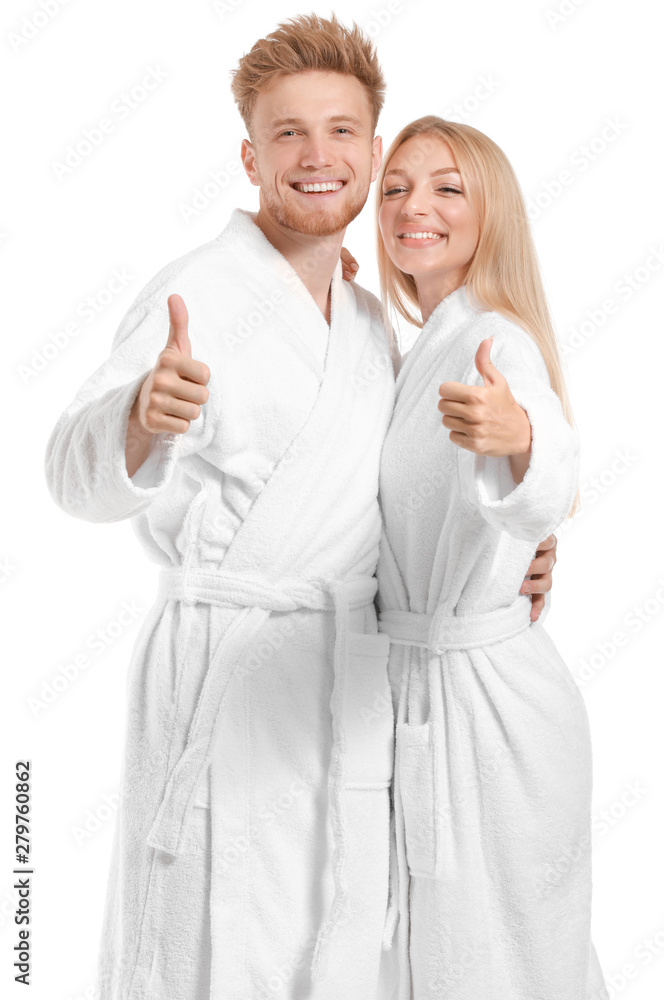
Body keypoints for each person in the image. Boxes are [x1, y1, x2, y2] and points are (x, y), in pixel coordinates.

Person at [43, 15, 558, 999]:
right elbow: (68, 475)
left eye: (339, 132)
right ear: (249, 156)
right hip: (225, 682)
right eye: (287, 133)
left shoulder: (369, 324)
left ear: (370, 152)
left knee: (332, 948)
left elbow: (409, 484)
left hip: (347, 692)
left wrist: (520, 543)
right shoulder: (195, 291)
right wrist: (141, 420)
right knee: (200, 952)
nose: (316, 156)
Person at [353, 116, 606, 999]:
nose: (412, 205)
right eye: (394, 188)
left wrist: (523, 440)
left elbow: (547, 461)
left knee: (508, 963)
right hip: (424, 692)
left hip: (490, 719)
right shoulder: (418, 343)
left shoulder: (494, 340)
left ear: (491, 213)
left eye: (446, 187)